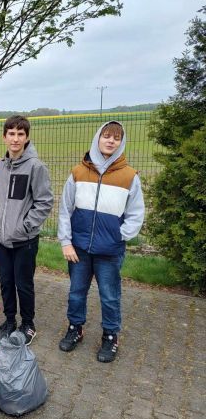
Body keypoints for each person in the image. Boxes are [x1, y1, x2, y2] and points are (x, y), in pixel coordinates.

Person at [57, 121, 145, 363]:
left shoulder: (129, 177)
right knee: (76, 292)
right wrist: (66, 241)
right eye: (106, 136)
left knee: (109, 296)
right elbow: (65, 209)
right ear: (98, 138)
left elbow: (136, 213)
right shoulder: (78, 172)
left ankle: (110, 336)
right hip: (79, 249)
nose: (110, 141)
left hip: (110, 251)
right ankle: (75, 328)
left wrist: (120, 235)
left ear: (121, 143)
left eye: (116, 138)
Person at [0, 116, 53, 344]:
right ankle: (9, 320)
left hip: (24, 240)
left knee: (23, 284)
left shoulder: (36, 166)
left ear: (26, 137)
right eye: (11, 134)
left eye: (20, 134)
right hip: (2, 238)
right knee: (6, 282)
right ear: (4, 136)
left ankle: (28, 323)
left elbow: (44, 201)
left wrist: (25, 226)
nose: (15, 139)